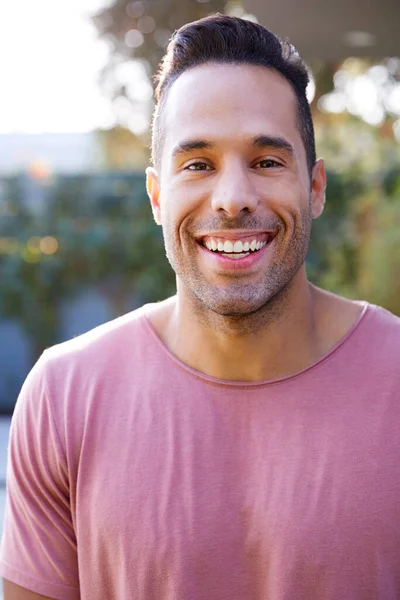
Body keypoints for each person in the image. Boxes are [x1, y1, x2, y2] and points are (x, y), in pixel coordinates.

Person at [1, 13, 400, 600]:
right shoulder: (64, 397)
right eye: (198, 164)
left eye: (266, 161)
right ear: (158, 196)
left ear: (315, 188)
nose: (233, 199)